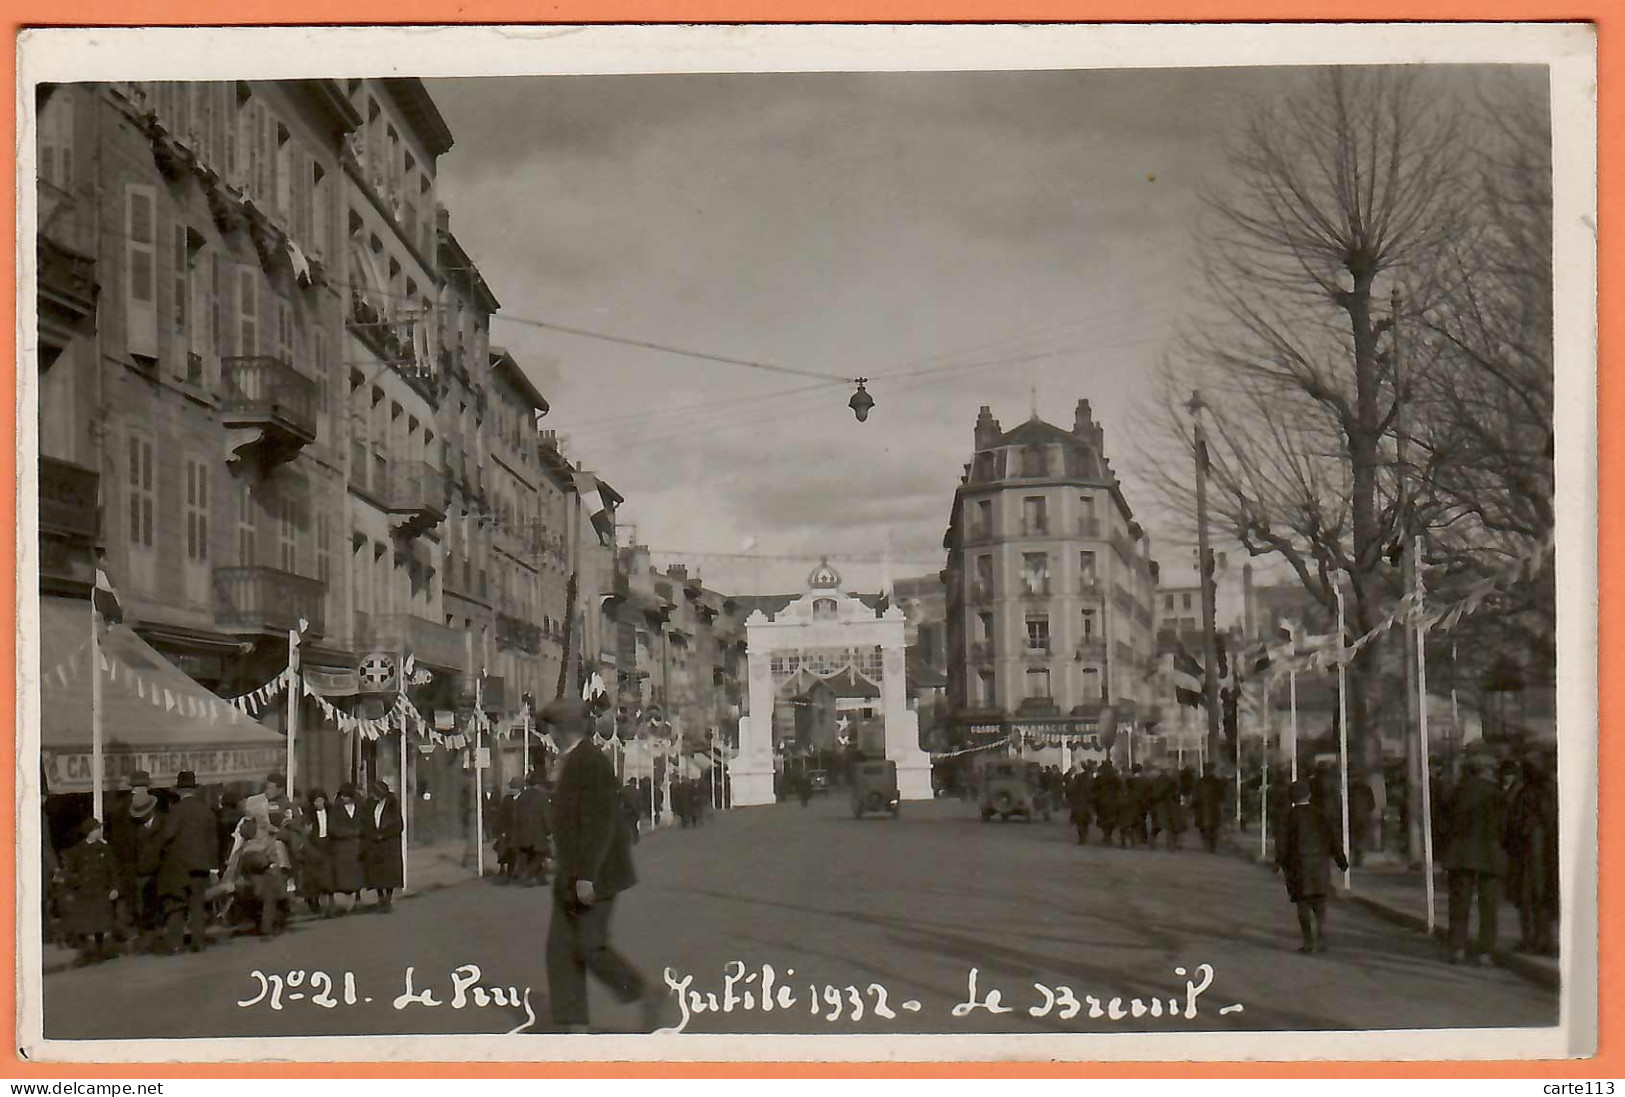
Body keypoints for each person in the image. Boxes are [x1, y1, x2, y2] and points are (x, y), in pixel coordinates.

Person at [541, 698, 661, 1033]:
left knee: (590, 947)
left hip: (596, 874)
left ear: (561, 730)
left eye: (551, 729)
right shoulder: (571, 761)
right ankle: (573, 1024)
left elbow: (600, 822)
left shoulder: (589, 762)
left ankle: (642, 992)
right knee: (560, 951)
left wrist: (586, 877)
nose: (548, 735)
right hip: (572, 873)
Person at [1443, 751, 1508, 965]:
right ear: (1487, 771)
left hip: (1461, 853)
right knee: (1489, 906)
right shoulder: (1497, 795)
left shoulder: (1457, 792)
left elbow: (1444, 822)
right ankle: (1485, 952)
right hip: (1491, 853)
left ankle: (1457, 948)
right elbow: (1505, 826)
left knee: (1459, 903)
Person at [1275, 779, 1349, 953]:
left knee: (1302, 903)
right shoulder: (1320, 814)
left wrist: (1278, 862)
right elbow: (1333, 838)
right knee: (1320, 902)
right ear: (1309, 795)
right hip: (1319, 864)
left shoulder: (1288, 817)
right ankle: (1321, 935)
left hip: (1297, 866)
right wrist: (1341, 861)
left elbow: (1282, 843)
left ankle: (1308, 939)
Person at [156, 771, 218, 954]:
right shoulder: (206, 810)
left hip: (179, 866)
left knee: (177, 905)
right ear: (195, 790)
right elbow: (213, 841)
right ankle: (198, 942)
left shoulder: (175, 811)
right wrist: (213, 867)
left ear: (178, 791)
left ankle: (176, 943)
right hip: (201, 865)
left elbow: (167, 836)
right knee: (197, 904)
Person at [1506, 748, 1559, 956]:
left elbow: (1514, 821)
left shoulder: (1526, 792)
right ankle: (1541, 940)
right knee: (1537, 898)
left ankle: (1537, 940)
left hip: (1535, 855)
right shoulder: (1548, 790)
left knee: (1534, 897)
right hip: (1540, 855)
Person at [60, 818, 118, 965]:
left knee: (103, 921)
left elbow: (114, 870)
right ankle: (90, 952)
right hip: (85, 893)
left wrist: (115, 887)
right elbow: (70, 872)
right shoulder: (78, 850)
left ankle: (103, 950)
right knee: (89, 923)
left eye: (100, 828)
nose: (100, 831)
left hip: (102, 891)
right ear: (90, 832)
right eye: (97, 829)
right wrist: (75, 884)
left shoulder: (105, 849)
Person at [363, 780, 405, 911]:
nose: (373, 796)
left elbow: (398, 825)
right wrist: (372, 834)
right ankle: (380, 897)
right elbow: (367, 821)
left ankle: (388, 897)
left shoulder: (392, 805)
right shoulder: (371, 805)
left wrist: (384, 834)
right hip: (375, 843)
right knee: (377, 873)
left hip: (389, 844)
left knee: (389, 873)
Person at [327, 783, 366, 912]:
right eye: (342, 796)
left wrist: (360, 833)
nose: (343, 798)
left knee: (357, 873)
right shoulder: (336, 809)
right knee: (343, 875)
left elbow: (365, 823)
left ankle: (357, 899)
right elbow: (332, 827)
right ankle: (345, 902)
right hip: (342, 846)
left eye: (346, 796)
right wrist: (347, 833)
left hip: (356, 846)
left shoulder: (360, 807)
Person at [302, 789, 336, 916]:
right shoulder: (310, 815)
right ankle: (319, 904)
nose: (319, 803)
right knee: (318, 877)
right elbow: (307, 832)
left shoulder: (331, 812)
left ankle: (331, 904)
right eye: (316, 801)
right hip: (315, 846)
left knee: (329, 876)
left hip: (328, 845)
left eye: (321, 801)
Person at [514, 770, 552, 886]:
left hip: (522, 833)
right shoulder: (542, 797)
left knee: (530, 854)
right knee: (541, 854)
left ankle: (541, 878)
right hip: (536, 833)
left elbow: (515, 814)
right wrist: (550, 831)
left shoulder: (522, 796)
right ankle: (526, 876)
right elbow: (546, 817)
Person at [1193, 764, 1226, 854]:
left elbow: (1221, 795)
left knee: (1213, 827)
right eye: (1206, 770)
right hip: (1202, 808)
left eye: (1209, 770)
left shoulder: (1216, 782)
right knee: (1203, 827)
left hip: (1213, 807)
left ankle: (1212, 845)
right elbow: (1195, 794)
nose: (1208, 772)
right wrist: (1194, 804)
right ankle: (1206, 844)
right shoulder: (1199, 782)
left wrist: (1221, 803)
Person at [1092, 762, 1122, 846]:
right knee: (1111, 818)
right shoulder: (1115, 778)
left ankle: (1106, 835)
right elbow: (1120, 787)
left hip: (1101, 801)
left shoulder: (1099, 778)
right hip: (1112, 801)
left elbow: (1093, 788)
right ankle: (1108, 835)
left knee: (1102, 818)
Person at [1067, 762, 1094, 846]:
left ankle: (1082, 837)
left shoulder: (1075, 784)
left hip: (1078, 804)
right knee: (1085, 822)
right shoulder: (1090, 783)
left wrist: (1071, 802)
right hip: (1086, 805)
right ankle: (1084, 836)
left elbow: (1069, 792)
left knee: (1080, 822)